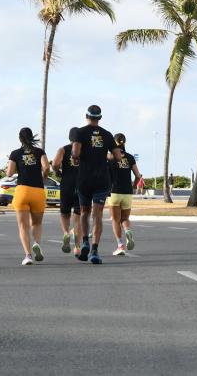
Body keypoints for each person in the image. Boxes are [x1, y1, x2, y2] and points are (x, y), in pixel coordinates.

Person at [72, 104, 122, 265]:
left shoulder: (80, 132)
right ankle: (94, 250)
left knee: (84, 212)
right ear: (100, 118)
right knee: (98, 215)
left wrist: (78, 156)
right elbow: (118, 157)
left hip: (84, 179)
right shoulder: (107, 135)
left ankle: (85, 241)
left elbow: (75, 153)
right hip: (102, 179)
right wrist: (104, 156)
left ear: (87, 116)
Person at [8, 127, 49, 265]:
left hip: (22, 191)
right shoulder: (39, 152)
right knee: (37, 223)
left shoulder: (15, 153)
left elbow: (9, 173)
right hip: (37, 191)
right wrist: (44, 176)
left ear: (20, 139)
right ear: (32, 137)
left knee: (23, 226)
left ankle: (28, 255)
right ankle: (36, 243)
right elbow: (46, 167)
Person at [108, 133, 141, 256]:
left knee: (115, 220)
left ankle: (120, 245)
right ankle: (127, 231)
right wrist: (133, 186)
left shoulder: (110, 157)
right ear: (124, 142)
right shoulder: (130, 157)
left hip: (114, 192)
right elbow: (138, 176)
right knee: (125, 219)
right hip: (127, 192)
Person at [51, 126, 82, 254]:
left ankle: (65, 232)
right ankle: (77, 247)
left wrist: (58, 171)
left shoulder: (63, 150)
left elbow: (55, 164)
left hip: (67, 184)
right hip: (81, 184)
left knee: (64, 213)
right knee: (78, 216)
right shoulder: (84, 149)